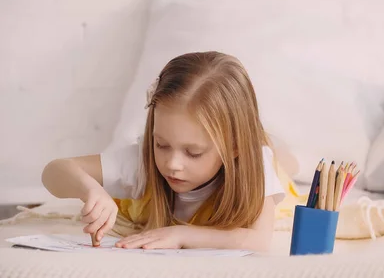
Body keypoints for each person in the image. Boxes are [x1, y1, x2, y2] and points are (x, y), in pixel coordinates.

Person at [41, 51, 285, 252]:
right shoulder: (142, 161)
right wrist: (90, 188)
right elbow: (55, 171)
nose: (172, 164)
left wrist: (182, 235)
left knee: (283, 167)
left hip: (266, 161)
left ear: (234, 147)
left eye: (193, 152)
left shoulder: (255, 164)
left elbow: (258, 241)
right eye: (162, 145)